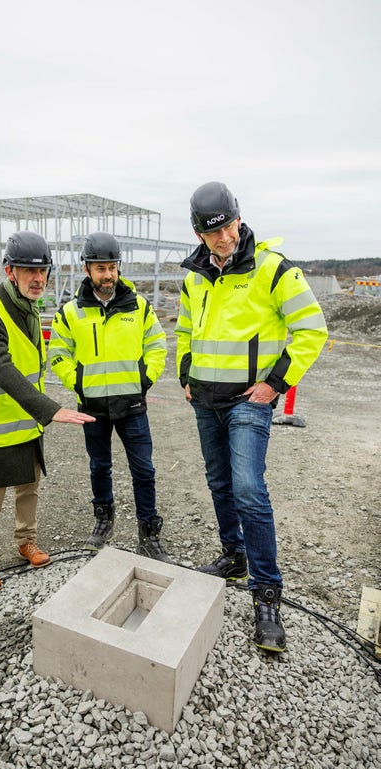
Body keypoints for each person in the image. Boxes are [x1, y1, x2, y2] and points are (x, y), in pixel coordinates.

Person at [175, 182, 328, 652]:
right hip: (204, 400)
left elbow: (312, 330)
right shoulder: (194, 277)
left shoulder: (273, 270)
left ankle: (265, 592)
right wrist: (185, 371)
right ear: (199, 233)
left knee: (248, 488)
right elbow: (185, 329)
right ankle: (233, 556)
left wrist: (275, 384)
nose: (224, 237)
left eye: (229, 226)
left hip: (248, 401)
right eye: (213, 231)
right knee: (220, 483)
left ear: (238, 219)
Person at [0, 231, 95, 592]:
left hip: (25, 424)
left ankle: (26, 541)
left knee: (29, 488)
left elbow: (23, 365)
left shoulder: (29, 310)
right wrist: (50, 410)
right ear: (9, 271)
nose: (38, 279)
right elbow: (0, 368)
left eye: (43, 271)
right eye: (27, 271)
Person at [49, 231, 171, 562]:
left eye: (112, 267)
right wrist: (79, 382)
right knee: (99, 467)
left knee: (143, 469)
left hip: (132, 405)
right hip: (92, 408)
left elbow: (158, 346)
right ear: (87, 270)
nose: (107, 275)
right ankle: (103, 522)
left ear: (119, 268)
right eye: (100, 268)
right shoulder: (70, 313)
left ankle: (149, 532)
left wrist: (144, 378)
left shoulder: (140, 307)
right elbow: (58, 354)